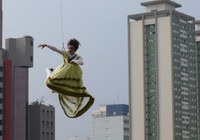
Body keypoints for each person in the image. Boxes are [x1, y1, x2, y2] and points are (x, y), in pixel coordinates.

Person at [38, 38, 94, 118]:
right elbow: (56, 50)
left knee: (77, 91)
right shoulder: (66, 54)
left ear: (75, 49)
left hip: (73, 75)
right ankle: (49, 72)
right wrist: (46, 45)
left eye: (71, 48)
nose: (70, 50)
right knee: (49, 83)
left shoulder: (77, 56)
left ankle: (77, 106)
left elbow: (82, 62)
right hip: (63, 73)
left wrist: (75, 61)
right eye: (69, 48)